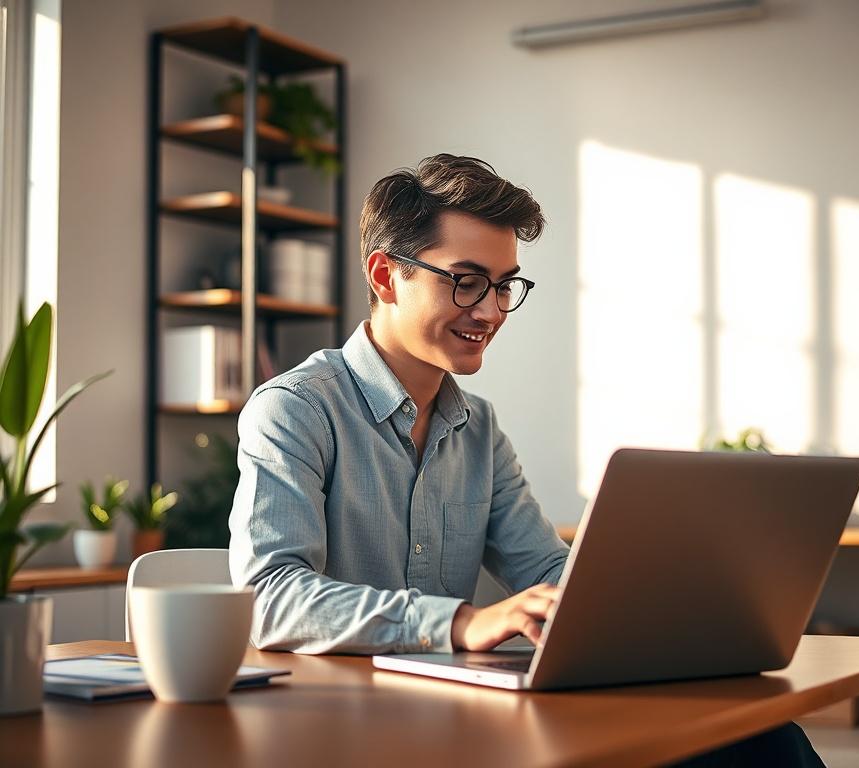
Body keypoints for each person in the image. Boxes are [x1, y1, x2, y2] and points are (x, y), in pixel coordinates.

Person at [228, 154, 824, 767]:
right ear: (386, 276)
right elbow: (269, 598)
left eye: (503, 284)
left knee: (761, 738)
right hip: (337, 728)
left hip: (457, 717)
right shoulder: (294, 409)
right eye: (465, 280)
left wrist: (665, 615)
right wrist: (460, 623)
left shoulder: (477, 427)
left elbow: (545, 569)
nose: (489, 311)